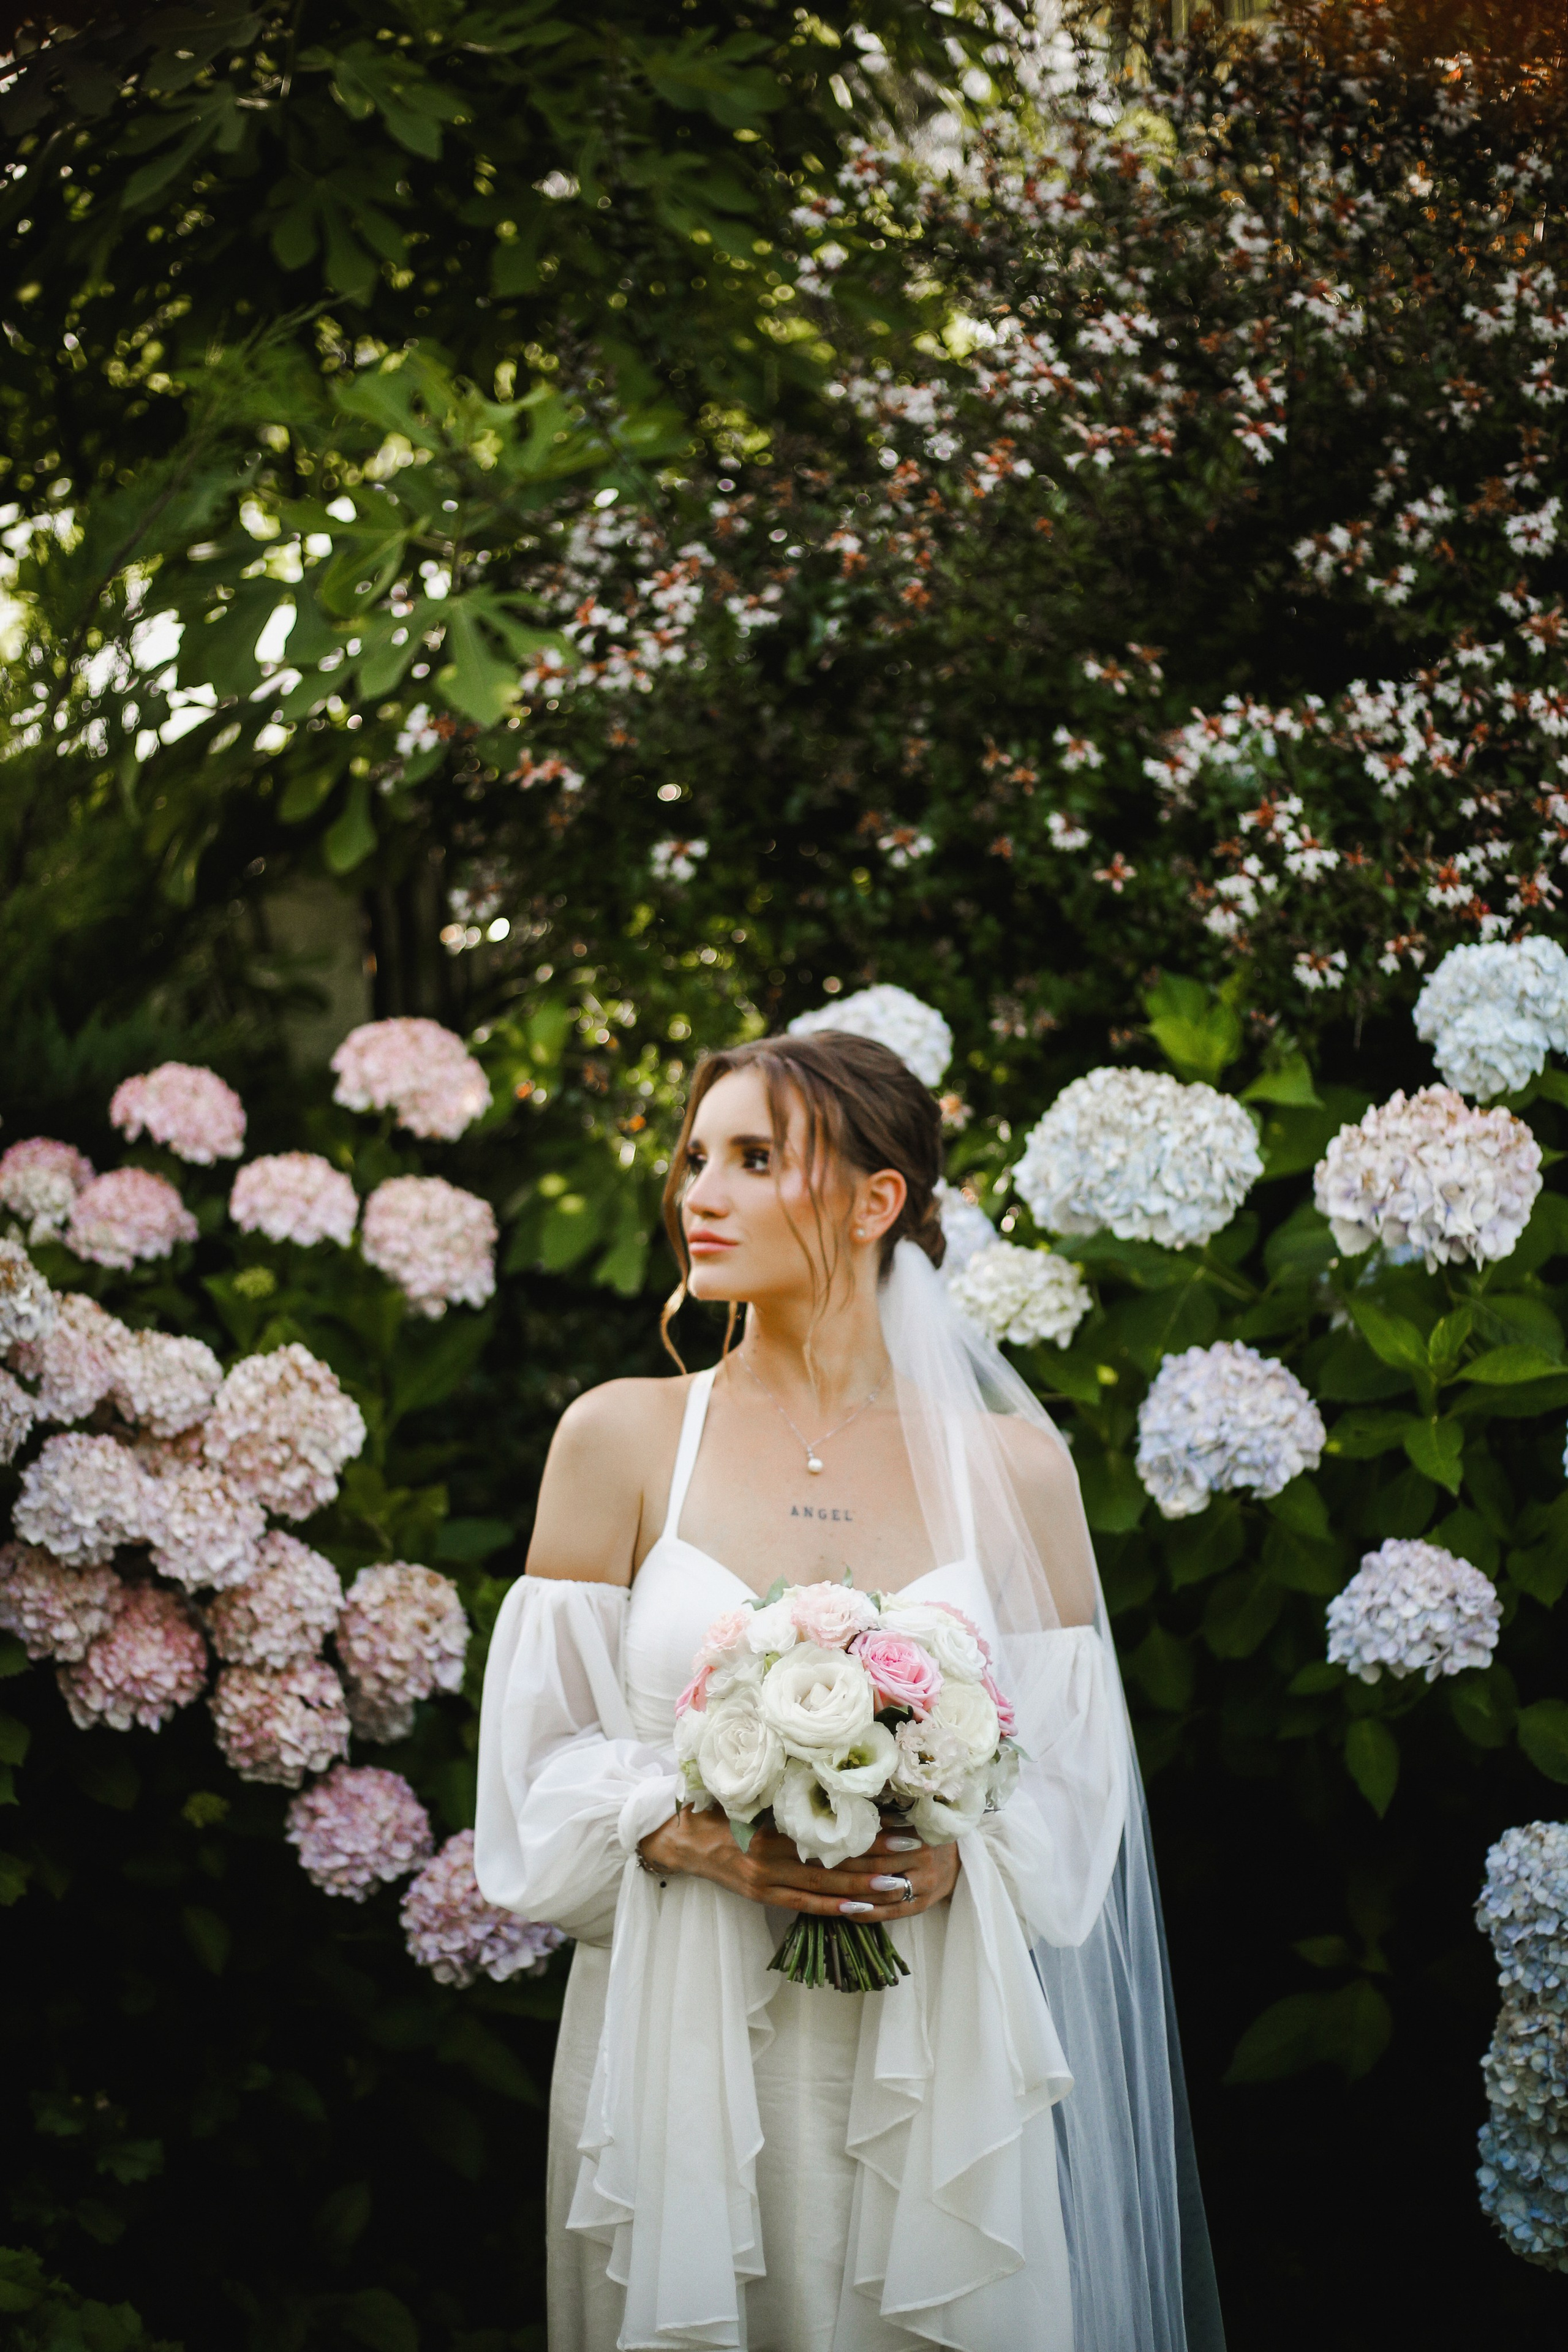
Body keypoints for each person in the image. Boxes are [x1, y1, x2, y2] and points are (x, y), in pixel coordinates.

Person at [477, 1030, 1224, 2351]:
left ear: (877, 1201)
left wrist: (965, 1853)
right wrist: (687, 1827)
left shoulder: (1013, 1471)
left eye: (755, 1160)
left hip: (940, 2080)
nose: (698, 1193)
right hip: (679, 2057)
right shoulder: (618, 1438)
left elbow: (1074, 1790)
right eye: (695, 1157)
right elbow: (530, 1780)